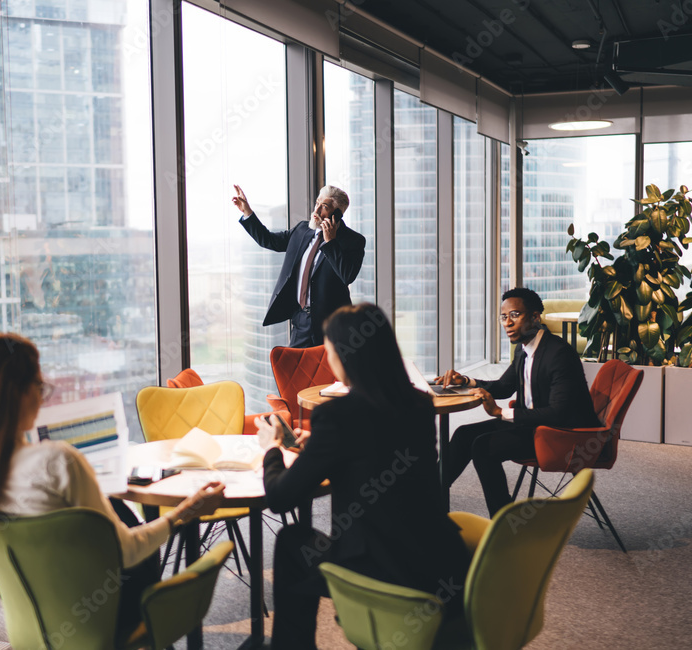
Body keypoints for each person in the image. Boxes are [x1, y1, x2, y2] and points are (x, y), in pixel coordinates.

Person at [0, 333, 224, 635]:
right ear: (16, 394)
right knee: (120, 514)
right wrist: (185, 512)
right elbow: (126, 553)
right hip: (108, 618)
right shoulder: (57, 462)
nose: (41, 394)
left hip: (30, 626)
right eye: (38, 385)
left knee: (112, 506)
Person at [257, 304, 471, 650]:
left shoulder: (337, 415)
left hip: (382, 571)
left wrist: (272, 449)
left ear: (344, 355)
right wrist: (324, 449)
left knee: (292, 542)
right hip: (440, 563)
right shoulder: (418, 404)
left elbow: (281, 498)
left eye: (329, 353)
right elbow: (374, 450)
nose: (329, 361)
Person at [436, 287, 599, 517]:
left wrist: (501, 413)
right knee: (464, 434)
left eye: (515, 315)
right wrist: (466, 380)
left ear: (535, 317)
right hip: (532, 424)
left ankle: (503, 523)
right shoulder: (523, 350)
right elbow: (504, 387)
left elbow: (558, 413)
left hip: (560, 434)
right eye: (504, 317)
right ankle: (429, 495)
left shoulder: (559, 354)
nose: (507, 323)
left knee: (483, 448)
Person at [233, 184, 366, 347]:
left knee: (328, 372)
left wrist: (330, 242)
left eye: (324, 206)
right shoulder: (302, 230)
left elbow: (347, 275)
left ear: (338, 214)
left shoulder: (353, 241)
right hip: (301, 321)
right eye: (317, 202)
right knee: (295, 370)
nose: (316, 210)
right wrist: (247, 211)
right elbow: (268, 240)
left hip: (332, 326)